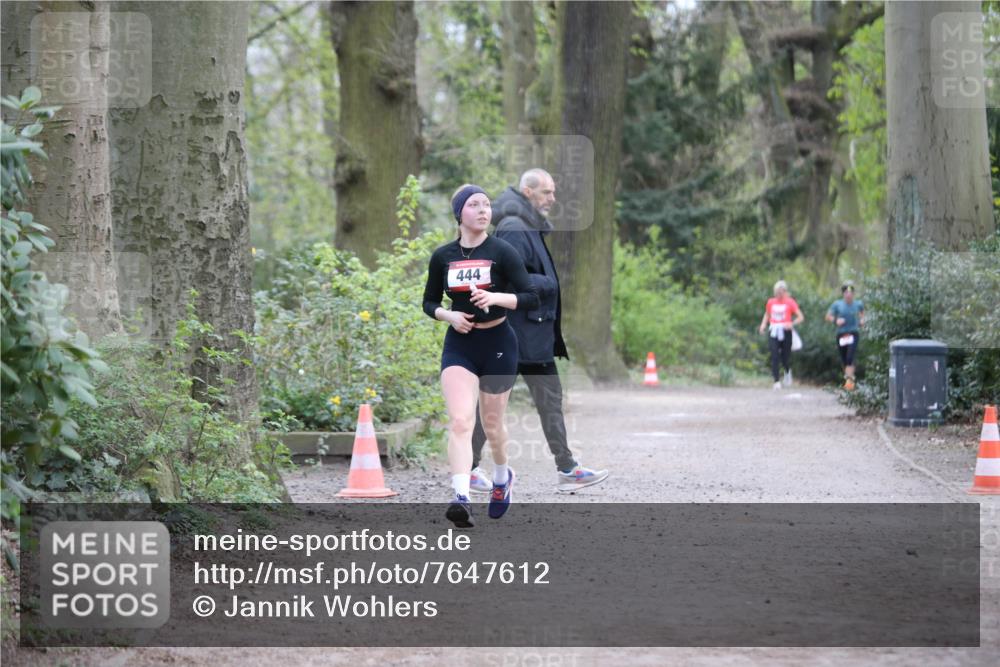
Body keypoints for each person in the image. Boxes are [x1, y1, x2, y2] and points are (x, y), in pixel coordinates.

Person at [468, 169, 609, 494]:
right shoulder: (515, 228)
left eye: (553, 191)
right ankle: (469, 469)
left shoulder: (526, 224)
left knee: (550, 401)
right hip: (514, 337)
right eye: (546, 192)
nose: (552, 198)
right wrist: (551, 285)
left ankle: (568, 469)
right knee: (491, 406)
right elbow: (509, 280)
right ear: (528, 193)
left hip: (533, 337)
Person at [422, 184, 539, 528]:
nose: (483, 210)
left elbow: (530, 296)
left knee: (492, 424)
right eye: (474, 205)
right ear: (460, 214)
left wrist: (495, 299)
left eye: (487, 204)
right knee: (460, 421)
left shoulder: (502, 251)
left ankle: (502, 478)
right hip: (460, 345)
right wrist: (449, 316)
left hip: (499, 343)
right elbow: (429, 302)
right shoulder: (443, 256)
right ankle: (461, 497)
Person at [758, 280, 804, 390]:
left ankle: (787, 371)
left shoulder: (790, 302)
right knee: (774, 354)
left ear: (785, 291)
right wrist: (763, 324)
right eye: (777, 292)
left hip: (786, 331)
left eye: (782, 291)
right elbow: (767, 314)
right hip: (774, 330)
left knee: (785, 357)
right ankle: (776, 381)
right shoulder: (771, 302)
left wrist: (792, 324)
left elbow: (800, 317)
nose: (779, 294)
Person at [826, 283, 865, 391]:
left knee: (850, 357)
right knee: (844, 359)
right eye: (846, 293)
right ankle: (848, 379)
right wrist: (835, 320)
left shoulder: (858, 304)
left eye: (850, 293)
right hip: (841, 334)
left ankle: (850, 381)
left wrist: (862, 320)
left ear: (853, 294)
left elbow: (862, 313)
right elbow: (828, 316)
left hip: (853, 333)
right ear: (843, 294)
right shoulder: (837, 304)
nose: (848, 295)